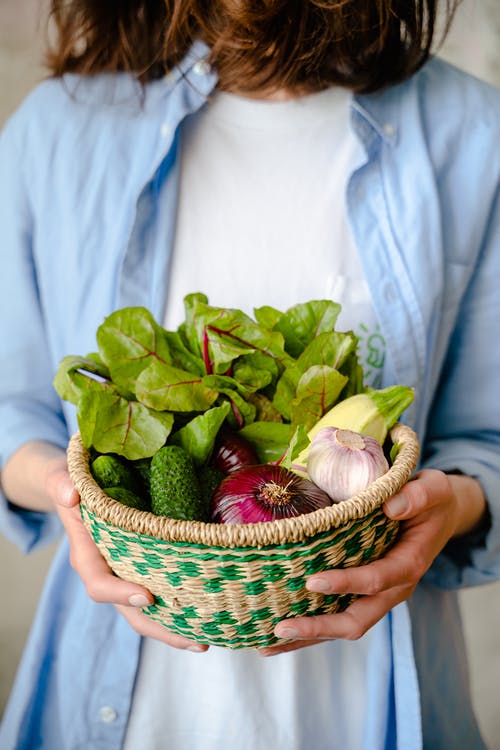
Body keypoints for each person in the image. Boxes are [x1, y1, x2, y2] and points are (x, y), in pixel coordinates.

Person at [0, 1, 499, 748]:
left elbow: (485, 440)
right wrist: (65, 495)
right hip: (119, 707)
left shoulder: (473, 132)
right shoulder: (58, 130)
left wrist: (449, 506)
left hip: (369, 702)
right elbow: (13, 410)